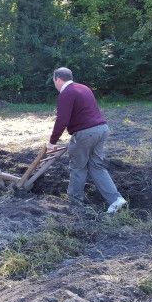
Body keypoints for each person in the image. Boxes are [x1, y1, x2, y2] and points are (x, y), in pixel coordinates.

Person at [46, 67, 127, 213]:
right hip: (102, 129)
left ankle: (74, 203)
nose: (54, 84)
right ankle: (115, 199)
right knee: (97, 166)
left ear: (57, 79)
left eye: (54, 81)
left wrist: (52, 142)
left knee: (78, 166)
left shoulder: (66, 93)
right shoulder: (83, 88)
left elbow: (62, 120)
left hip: (86, 133)